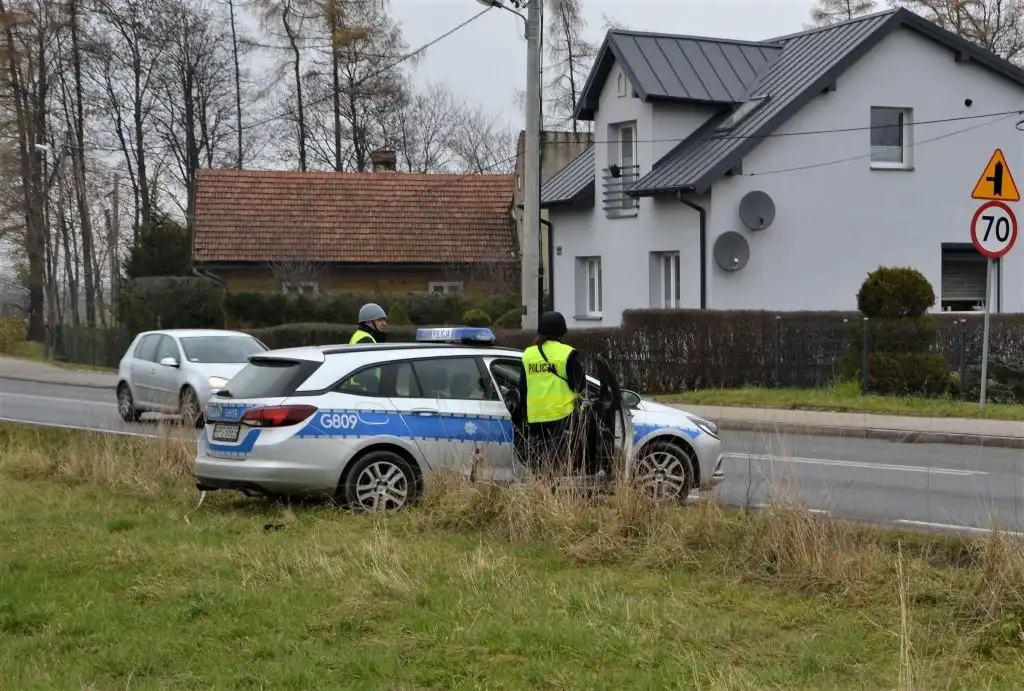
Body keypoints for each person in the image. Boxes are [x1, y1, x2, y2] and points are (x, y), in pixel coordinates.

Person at [512, 310, 587, 478]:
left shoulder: (529, 354)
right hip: (561, 415)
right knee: (557, 461)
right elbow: (580, 384)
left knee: (540, 459)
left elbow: (522, 387)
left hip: (535, 417)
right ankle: (551, 492)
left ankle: (543, 490)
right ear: (562, 330)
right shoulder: (566, 353)